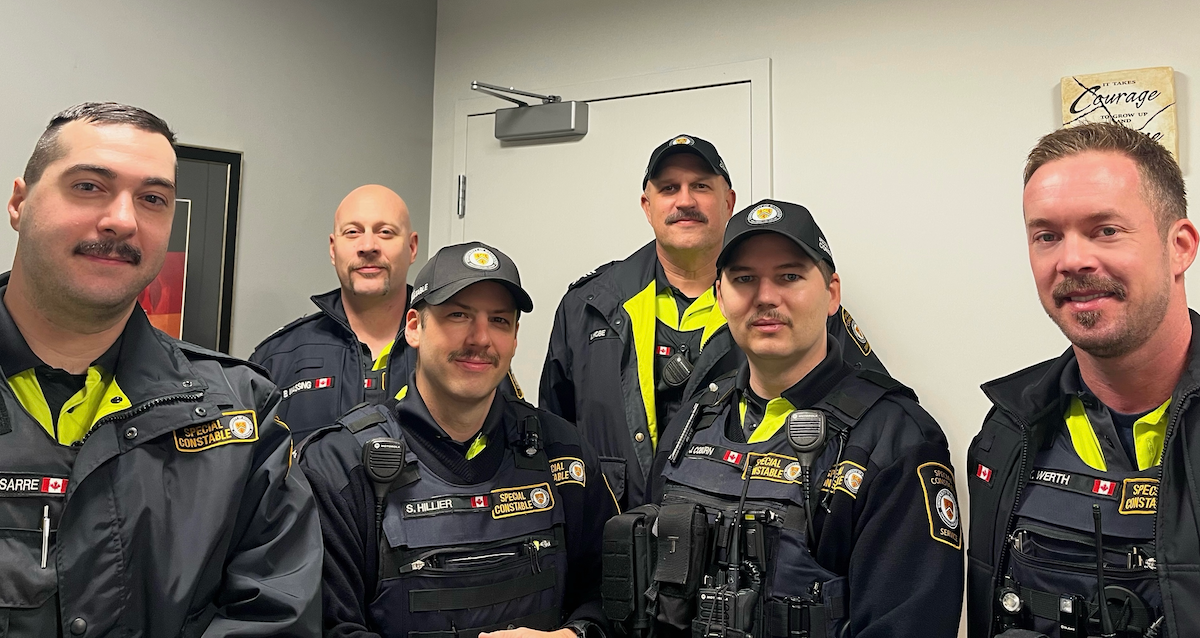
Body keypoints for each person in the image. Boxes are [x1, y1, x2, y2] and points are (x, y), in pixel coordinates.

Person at [0, 102, 321, 635]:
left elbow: (275, 616)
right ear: (20, 202)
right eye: (88, 186)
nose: (122, 220)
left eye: (152, 199)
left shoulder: (242, 415)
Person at [613, 200, 962, 638]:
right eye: (744, 279)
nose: (766, 297)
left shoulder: (895, 441)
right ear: (720, 296)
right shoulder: (693, 420)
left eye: (789, 276)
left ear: (832, 292)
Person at [540, 134, 886, 510]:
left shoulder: (794, 308)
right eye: (669, 188)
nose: (685, 200)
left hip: (743, 544)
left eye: (701, 186)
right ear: (647, 205)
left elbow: (866, 415)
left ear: (729, 201)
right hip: (607, 549)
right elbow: (553, 442)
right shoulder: (588, 306)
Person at [299, 242, 617, 638]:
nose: (480, 338)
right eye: (458, 315)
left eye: (499, 321)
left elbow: (610, 597)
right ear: (414, 326)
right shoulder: (340, 466)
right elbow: (326, 628)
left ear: (515, 337)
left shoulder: (562, 453)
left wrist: (573, 636)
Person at [967, 123, 1199, 637]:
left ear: (1180, 246)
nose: (1072, 260)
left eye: (1106, 230)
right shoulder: (1006, 432)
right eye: (1047, 236)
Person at [250, 185, 421, 442]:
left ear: (412, 247)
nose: (367, 245)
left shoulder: (453, 352)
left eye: (385, 232)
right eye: (352, 232)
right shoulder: (277, 359)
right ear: (333, 248)